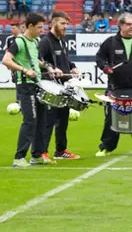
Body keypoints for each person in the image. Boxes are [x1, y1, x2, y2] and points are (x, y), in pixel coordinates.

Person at [95, 13, 132, 157]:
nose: (131, 27)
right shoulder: (110, 42)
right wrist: (105, 67)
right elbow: (99, 58)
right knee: (111, 117)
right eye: (128, 24)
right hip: (115, 87)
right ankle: (106, 147)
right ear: (120, 25)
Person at [5, 13, 52, 168]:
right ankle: (19, 158)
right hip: (25, 86)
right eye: (39, 27)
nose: (42, 30)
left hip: (37, 84)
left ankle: (37, 155)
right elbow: (6, 60)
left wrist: (49, 67)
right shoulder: (19, 41)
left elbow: (34, 60)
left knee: (42, 120)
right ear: (30, 26)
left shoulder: (35, 41)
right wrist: (24, 70)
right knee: (30, 120)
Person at [40, 11, 81, 161]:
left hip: (64, 87)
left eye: (66, 24)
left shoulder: (61, 41)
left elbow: (66, 60)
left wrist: (73, 67)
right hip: (51, 88)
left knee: (63, 120)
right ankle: (42, 152)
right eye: (62, 24)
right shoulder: (45, 41)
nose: (65, 27)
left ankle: (60, 150)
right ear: (53, 23)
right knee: (48, 121)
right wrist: (50, 67)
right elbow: (38, 60)